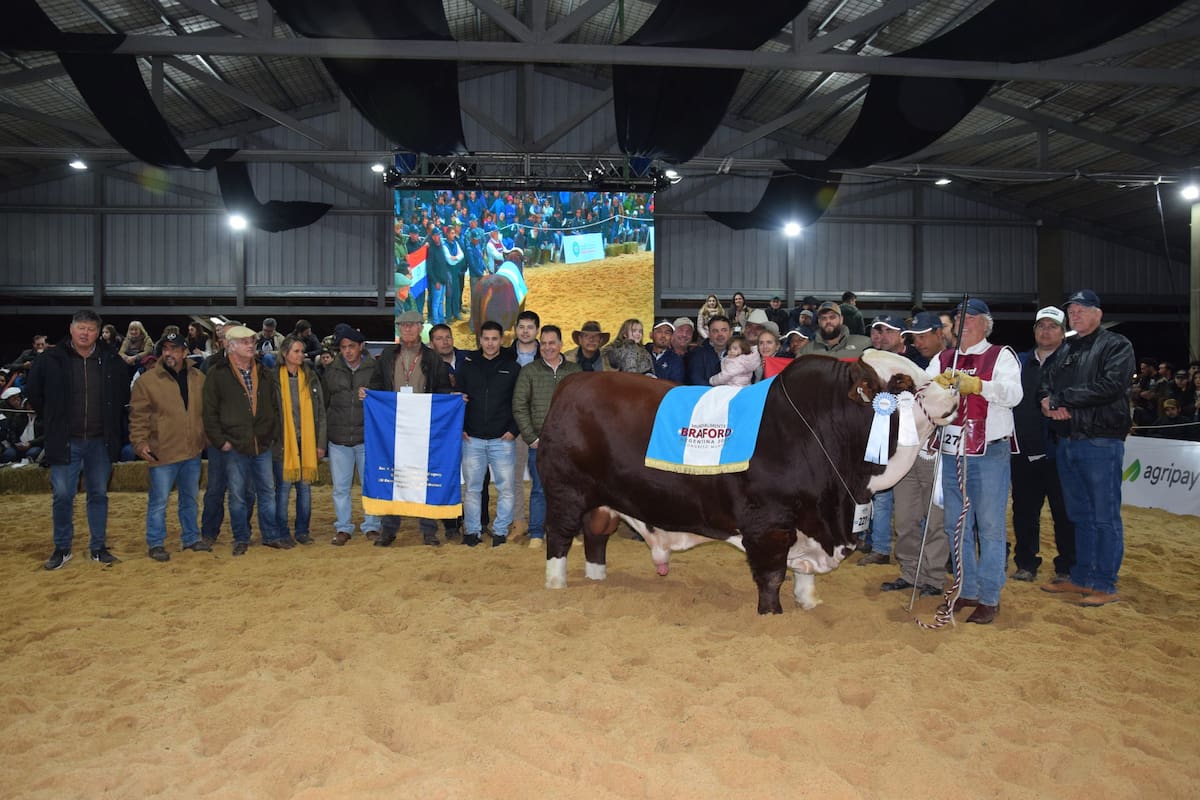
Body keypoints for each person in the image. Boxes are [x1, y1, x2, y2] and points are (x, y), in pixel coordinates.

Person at [927, 298, 1022, 625]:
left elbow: (1014, 394)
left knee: (991, 526)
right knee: (957, 525)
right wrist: (933, 389)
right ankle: (965, 588)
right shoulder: (943, 358)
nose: (963, 322)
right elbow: (923, 393)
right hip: (953, 452)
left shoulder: (1001, 355)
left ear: (986, 324)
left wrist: (979, 386)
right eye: (959, 318)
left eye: (972, 318)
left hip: (989, 452)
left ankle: (990, 595)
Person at [1039, 290, 1136, 607]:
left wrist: (1061, 400)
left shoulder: (1117, 345)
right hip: (1068, 439)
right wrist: (1049, 403)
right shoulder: (1067, 347)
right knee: (1079, 514)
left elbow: (1111, 386)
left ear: (1099, 313)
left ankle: (1105, 582)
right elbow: (1046, 382)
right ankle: (1081, 577)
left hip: (1101, 439)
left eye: (1083, 309)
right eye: (1073, 310)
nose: (1076, 314)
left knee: (1104, 515)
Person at [26, 309, 131, 569]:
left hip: (99, 442)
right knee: (62, 495)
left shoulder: (111, 359)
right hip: (65, 440)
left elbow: (121, 395)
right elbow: (35, 394)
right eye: (81, 327)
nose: (85, 333)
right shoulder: (50, 358)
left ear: (98, 332)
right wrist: (53, 419)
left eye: (91, 328)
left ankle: (98, 548)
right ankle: (62, 549)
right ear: (71, 328)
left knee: (98, 494)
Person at [369, 310, 453, 547]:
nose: (407, 329)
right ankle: (388, 529)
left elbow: (443, 389)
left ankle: (428, 531)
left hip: (422, 426)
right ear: (398, 328)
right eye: (403, 325)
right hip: (392, 426)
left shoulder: (432, 358)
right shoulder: (387, 356)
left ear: (420, 328)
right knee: (391, 475)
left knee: (422, 476)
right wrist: (368, 394)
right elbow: (376, 384)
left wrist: (453, 400)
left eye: (412, 325)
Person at [202, 324, 283, 555]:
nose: (251, 346)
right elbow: (209, 412)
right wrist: (221, 441)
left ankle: (270, 535)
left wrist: (271, 432)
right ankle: (241, 538)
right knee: (237, 494)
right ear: (232, 346)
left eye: (252, 342)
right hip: (234, 444)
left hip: (261, 442)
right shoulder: (217, 374)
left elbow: (274, 406)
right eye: (245, 342)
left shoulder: (263, 371)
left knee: (267, 491)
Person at [128, 331, 209, 561]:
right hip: (162, 451)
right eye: (165, 348)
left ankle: (191, 538)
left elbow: (205, 412)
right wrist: (140, 442)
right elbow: (138, 416)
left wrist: (206, 438)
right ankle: (155, 543)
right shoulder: (147, 381)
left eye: (174, 349)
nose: (168, 353)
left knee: (190, 499)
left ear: (185, 352)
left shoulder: (198, 378)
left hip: (192, 450)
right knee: (159, 501)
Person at [1009, 307, 1075, 583]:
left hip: (1061, 451)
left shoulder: (1074, 362)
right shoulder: (1019, 363)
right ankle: (1026, 563)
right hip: (1024, 451)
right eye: (1041, 326)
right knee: (1024, 510)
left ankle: (1066, 566)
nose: (1045, 331)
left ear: (1062, 332)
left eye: (1052, 326)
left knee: (1064, 512)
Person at [513, 325, 582, 548]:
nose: (547, 347)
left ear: (561, 345)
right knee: (540, 488)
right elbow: (519, 406)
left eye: (552, 343)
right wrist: (531, 438)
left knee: (569, 490)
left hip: (569, 445)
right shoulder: (529, 372)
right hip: (539, 443)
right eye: (543, 343)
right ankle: (536, 533)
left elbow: (582, 407)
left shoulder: (575, 371)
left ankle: (569, 532)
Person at [457, 320, 521, 547]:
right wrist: (461, 427)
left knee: (505, 489)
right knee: (473, 489)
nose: (491, 343)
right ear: (480, 340)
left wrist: (513, 430)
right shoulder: (467, 364)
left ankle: (501, 530)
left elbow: (519, 402)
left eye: (495, 339)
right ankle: (472, 531)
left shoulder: (512, 367)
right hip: (472, 438)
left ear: (501, 339)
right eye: (486, 339)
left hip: (502, 440)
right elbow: (458, 398)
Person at [322, 324, 381, 545]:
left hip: (367, 438)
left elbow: (384, 399)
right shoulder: (331, 371)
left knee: (370, 485)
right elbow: (324, 404)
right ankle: (344, 527)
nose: (347, 351)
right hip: (338, 439)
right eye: (344, 347)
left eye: (351, 347)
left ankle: (372, 525)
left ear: (361, 347)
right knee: (340, 488)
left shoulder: (374, 370)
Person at [272, 335, 327, 547]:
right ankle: (282, 532)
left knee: (305, 490)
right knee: (283, 491)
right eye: (296, 351)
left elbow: (320, 412)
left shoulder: (310, 377)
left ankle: (303, 531)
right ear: (285, 354)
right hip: (284, 444)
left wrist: (320, 442)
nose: (301, 355)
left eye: (302, 351)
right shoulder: (273, 379)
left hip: (306, 442)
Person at [802, 302, 870, 355]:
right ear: (819, 322)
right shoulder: (807, 351)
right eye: (823, 318)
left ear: (841, 319)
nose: (828, 321)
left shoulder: (863, 344)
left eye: (832, 317)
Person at [0, 386, 43, 464]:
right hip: (18, 445)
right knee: (8, 454)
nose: (31, 407)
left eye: (18, 398)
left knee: (32, 453)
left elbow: (45, 436)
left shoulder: (43, 418)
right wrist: (17, 443)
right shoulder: (19, 417)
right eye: (29, 405)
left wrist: (31, 443)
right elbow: (12, 432)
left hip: (34, 445)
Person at [685, 315, 731, 386]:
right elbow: (696, 379)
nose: (720, 334)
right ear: (709, 334)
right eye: (715, 331)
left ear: (730, 332)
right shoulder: (697, 354)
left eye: (724, 330)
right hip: (706, 395)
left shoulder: (741, 353)